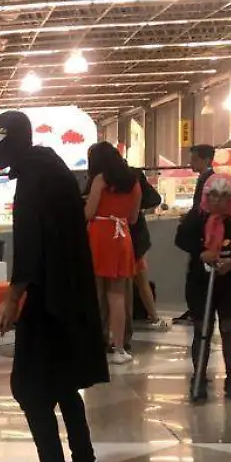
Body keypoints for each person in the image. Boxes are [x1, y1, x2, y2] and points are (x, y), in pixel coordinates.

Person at [0, 110, 108, 462]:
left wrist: (12, 297)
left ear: (13, 140)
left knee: (30, 388)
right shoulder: (48, 168)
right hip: (67, 295)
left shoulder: (34, 179)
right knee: (62, 381)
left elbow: (31, 242)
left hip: (50, 298)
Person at [175, 174, 231, 402]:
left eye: (223, 196)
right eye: (212, 195)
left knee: (230, 329)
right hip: (200, 282)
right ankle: (199, 378)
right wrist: (201, 252)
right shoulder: (197, 216)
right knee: (202, 329)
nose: (217, 201)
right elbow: (181, 238)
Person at [85, 142, 142, 365]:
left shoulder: (100, 180)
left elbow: (89, 212)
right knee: (118, 296)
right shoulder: (133, 181)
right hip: (122, 236)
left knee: (94, 293)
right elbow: (134, 218)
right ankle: (119, 348)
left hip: (99, 235)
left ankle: (93, 343)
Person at [174, 145, 217, 325]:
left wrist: (189, 222)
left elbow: (203, 208)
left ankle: (199, 313)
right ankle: (197, 312)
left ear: (206, 160)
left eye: (194, 159)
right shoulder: (205, 178)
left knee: (197, 278)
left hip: (202, 237)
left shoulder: (209, 180)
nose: (191, 163)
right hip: (200, 235)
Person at [130, 170, 170, 333]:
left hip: (116, 235)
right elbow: (154, 199)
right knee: (141, 279)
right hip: (136, 234)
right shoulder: (134, 175)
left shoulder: (100, 177)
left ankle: (115, 325)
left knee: (116, 286)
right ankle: (154, 317)